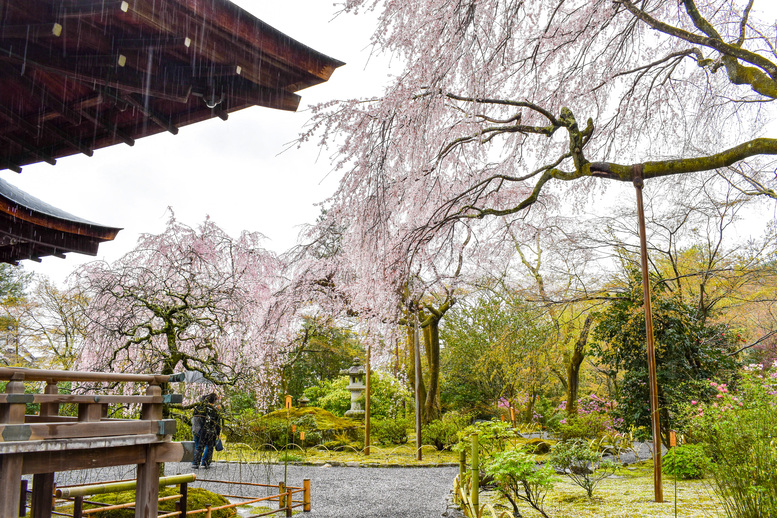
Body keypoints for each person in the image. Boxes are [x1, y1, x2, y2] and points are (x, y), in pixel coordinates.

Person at [192, 393, 220, 469]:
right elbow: (217, 422)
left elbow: (195, 419)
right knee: (209, 446)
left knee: (199, 446)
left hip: (201, 429)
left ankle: (196, 463)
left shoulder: (200, 408)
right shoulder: (215, 410)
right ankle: (205, 462)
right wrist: (218, 432)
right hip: (211, 430)